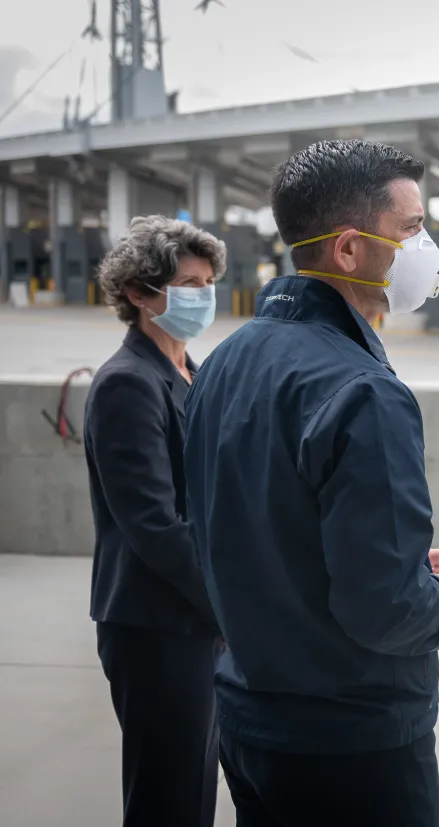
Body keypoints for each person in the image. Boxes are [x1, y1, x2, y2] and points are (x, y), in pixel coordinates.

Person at [183, 139, 439, 827]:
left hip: (247, 721)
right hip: (350, 746)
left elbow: (248, 528)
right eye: (411, 228)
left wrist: (398, 561)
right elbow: (388, 612)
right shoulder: (363, 390)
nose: (426, 247)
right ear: (347, 249)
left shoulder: (225, 363)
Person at [84, 215, 226, 827]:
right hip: (156, 625)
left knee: (194, 786)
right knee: (167, 795)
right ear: (140, 294)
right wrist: (234, 604)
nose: (204, 294)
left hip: (196, 619)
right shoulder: (127, 384)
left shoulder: (196, 373)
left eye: (209, 281)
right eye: (187, 283)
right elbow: (155, 526)